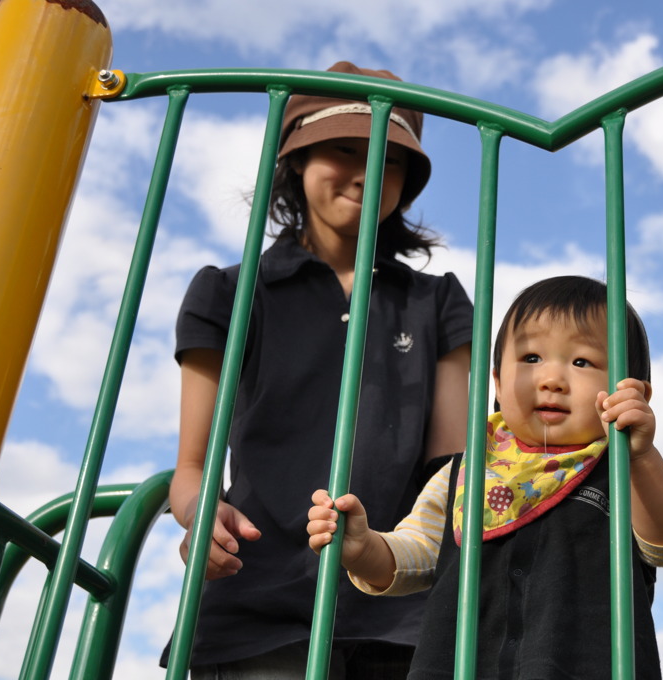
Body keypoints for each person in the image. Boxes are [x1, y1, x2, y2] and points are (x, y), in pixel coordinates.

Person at [165, 61, 473, 678]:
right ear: (296, 162)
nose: (364, 173)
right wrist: (203, 514)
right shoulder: (229, 291)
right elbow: (192, 469)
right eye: (340, 149)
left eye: (388, 158)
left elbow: (452, 471)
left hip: (401, 612)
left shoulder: (436, 300)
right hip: (255, 608)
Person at [308, 276, 663, 679]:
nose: (551, 379)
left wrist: (643, 459)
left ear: (633, 393)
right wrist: (363, 548)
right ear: (496, 381)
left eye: (581, 362)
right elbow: (415, 554)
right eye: (530, 358)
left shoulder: (625, 470)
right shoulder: (465, 472)